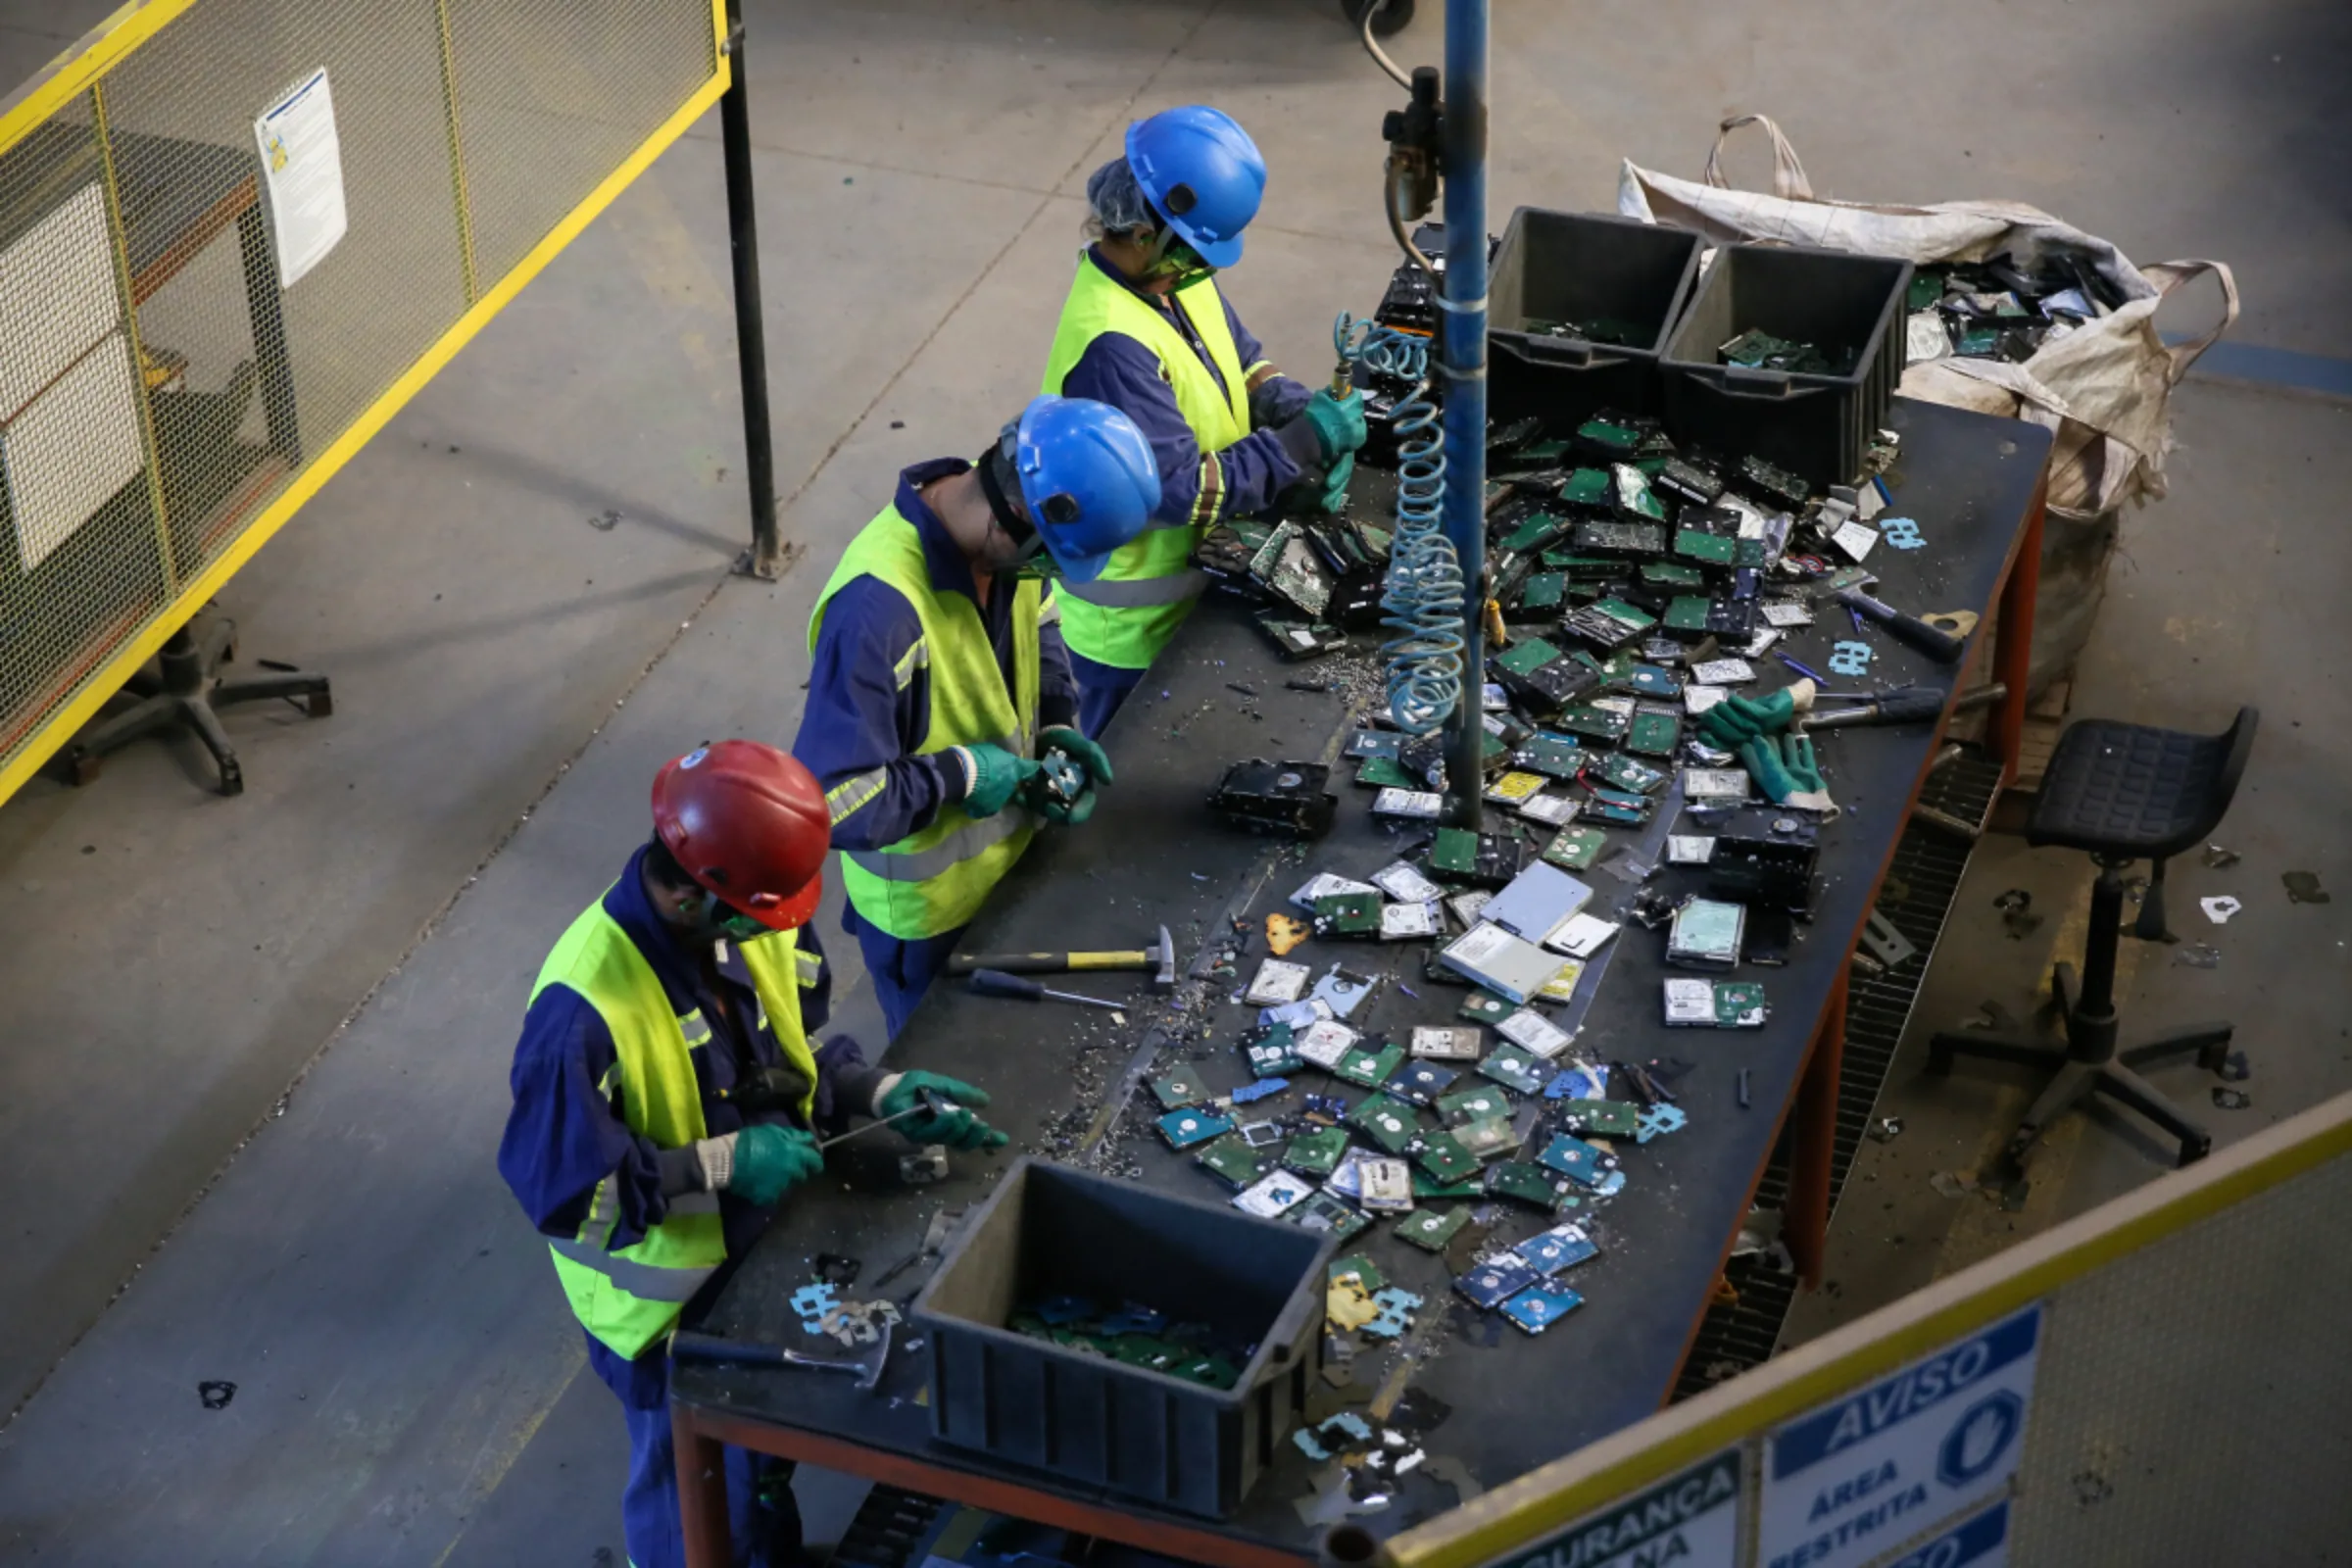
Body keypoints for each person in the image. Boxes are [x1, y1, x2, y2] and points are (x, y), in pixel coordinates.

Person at [499, 741, 1007, 1568]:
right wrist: (720, 1165)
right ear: (698, 898)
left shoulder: (757, 913)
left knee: (758, 1476)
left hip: (761, 1257)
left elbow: (790, 1054)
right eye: (764, 916)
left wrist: (878, 1091)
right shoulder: (580, 1016)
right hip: (670, 1319)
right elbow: (567, 1201)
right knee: (695, 1510)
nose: (782, 927)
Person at [793, 396, 1160, 1039]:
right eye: (1048, 555)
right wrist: (959, 776)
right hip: (930, 916)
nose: (1048, 574)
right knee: (954, 1066)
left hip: (1010, 864)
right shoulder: (878, 615)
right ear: (1017, 515)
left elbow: (1039, 619)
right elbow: (835, 801)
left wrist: (1055, 721)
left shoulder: (1001, 524)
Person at [1043, 104, 1370, 736]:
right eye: (1195, 254)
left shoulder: (1171, 277)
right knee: (1122, 798)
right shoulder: (1111, 344)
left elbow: (1240, 360)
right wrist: (1302, 443)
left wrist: (1292, 407)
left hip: (1200, 589)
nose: (1204, 270)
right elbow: (1177, 491)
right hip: (1133, 633)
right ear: (1143, 230)